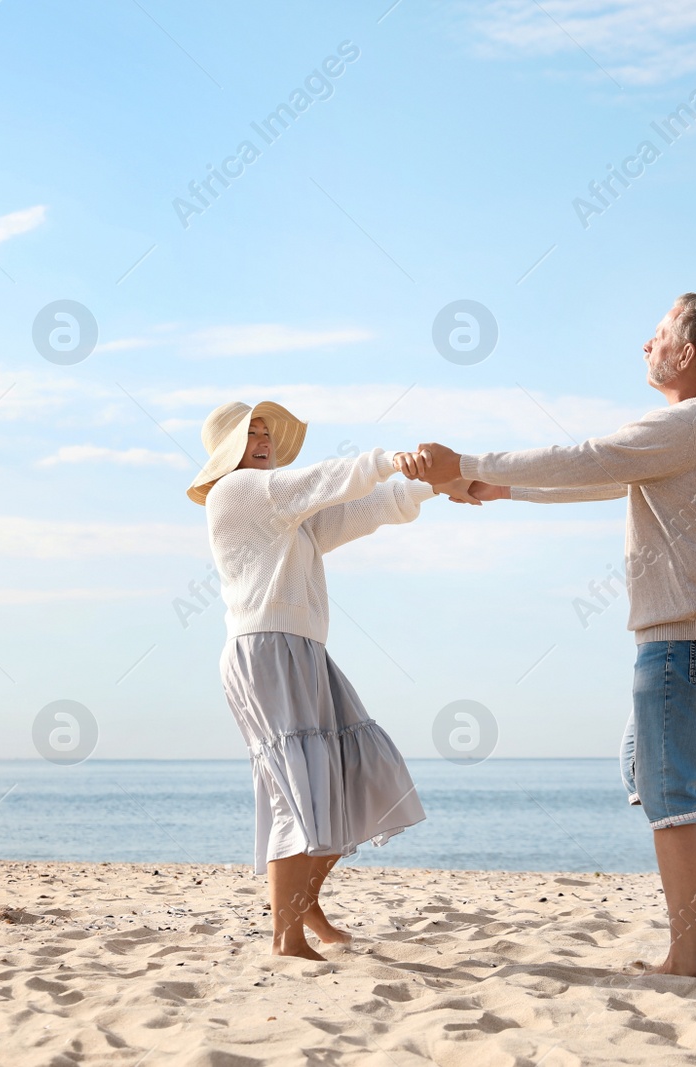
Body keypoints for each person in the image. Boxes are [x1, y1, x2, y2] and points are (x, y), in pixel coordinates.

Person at [396, 293, 696, 978]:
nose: (645, 345)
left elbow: (590, 456)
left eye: (657, 335)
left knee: (668, 790)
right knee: (646, 769)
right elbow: (606, 476)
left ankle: (688, 953)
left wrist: (468, 459)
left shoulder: (692, 422)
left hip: (685, 634)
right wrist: (494, 487)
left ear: (686, 353)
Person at [189, 400, 474, 960]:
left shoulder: (282, 508)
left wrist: (432, 486)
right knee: (296, 796)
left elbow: (352, 514)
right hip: (267, 650)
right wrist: (389, 459)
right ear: (228, 447)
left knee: (346, 779)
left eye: (268, 432)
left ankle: (306, 907)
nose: (264, 440)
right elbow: (326, 480)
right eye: (252, 433)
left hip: (304, 651)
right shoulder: (238, 492)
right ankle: (286, 937)